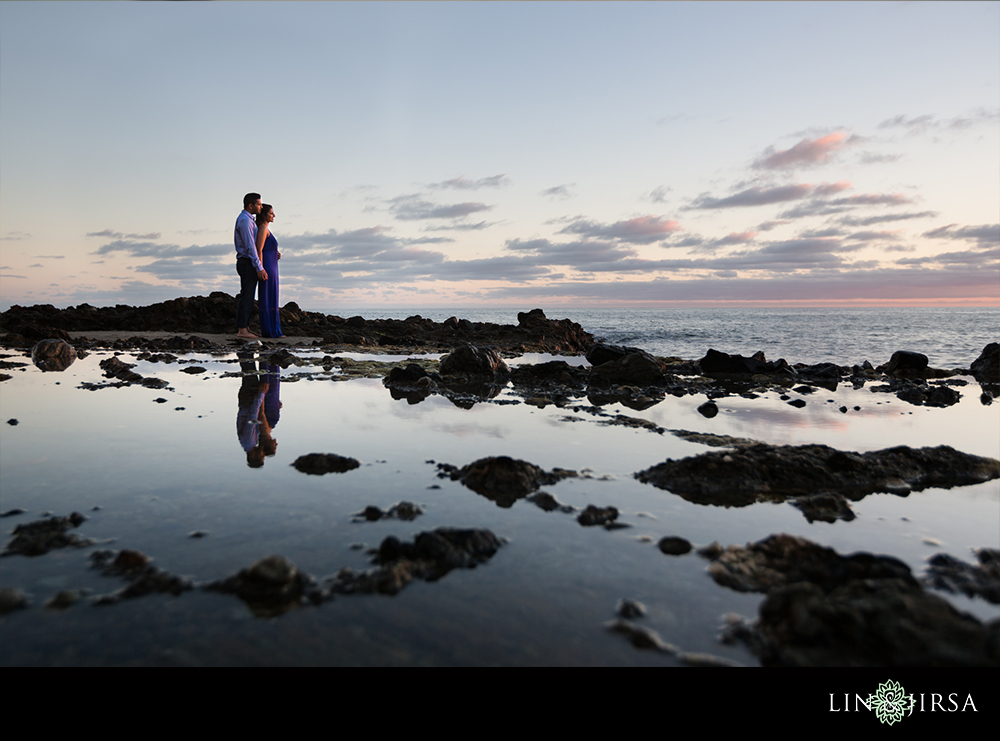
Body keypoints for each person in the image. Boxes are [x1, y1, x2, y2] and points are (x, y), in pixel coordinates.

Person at [234, 192, 267, 338]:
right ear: (250, 205)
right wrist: (259, 267)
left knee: (248, 295)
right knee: (246, 296)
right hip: (246, 262)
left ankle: (245, 328)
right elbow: (250, 247)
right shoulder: (245, 221)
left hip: (247, 261)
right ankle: (242, 330)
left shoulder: (249, 220)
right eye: (259, 204)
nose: (261, 206)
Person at [255, 204, 284, 338]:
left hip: (272, 265)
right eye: (271, 213)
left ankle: (274, 329)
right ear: (264, 215)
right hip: (267, 267)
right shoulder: (262, 228)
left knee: (272, 296)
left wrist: (274, 253)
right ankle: (269, 330)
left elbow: (267, 247)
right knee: (267, 296)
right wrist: (260, 268)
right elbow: (259, 249)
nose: (274, 215)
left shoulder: (266, 229)